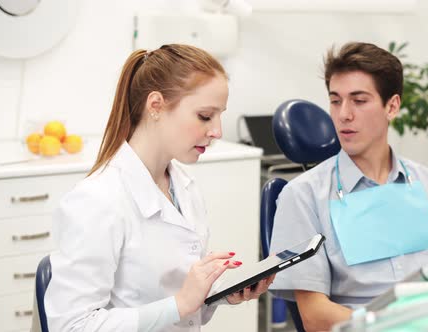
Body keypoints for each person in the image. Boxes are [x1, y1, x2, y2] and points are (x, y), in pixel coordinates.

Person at [45, 44, 274, 332]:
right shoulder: (96, 200)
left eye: (219, 116)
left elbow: (188, 313)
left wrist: (217, 295)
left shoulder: (184, 189)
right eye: (205, 116)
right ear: (156, 106)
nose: (217, 131)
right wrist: (179, 304)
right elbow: (70, 326)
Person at [268, 42, 428, 331]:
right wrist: (392, 324)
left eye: (359, 101)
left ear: (392, 106)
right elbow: (315, 316)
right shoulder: (304, 196)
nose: (344, 114)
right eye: (336, 101)